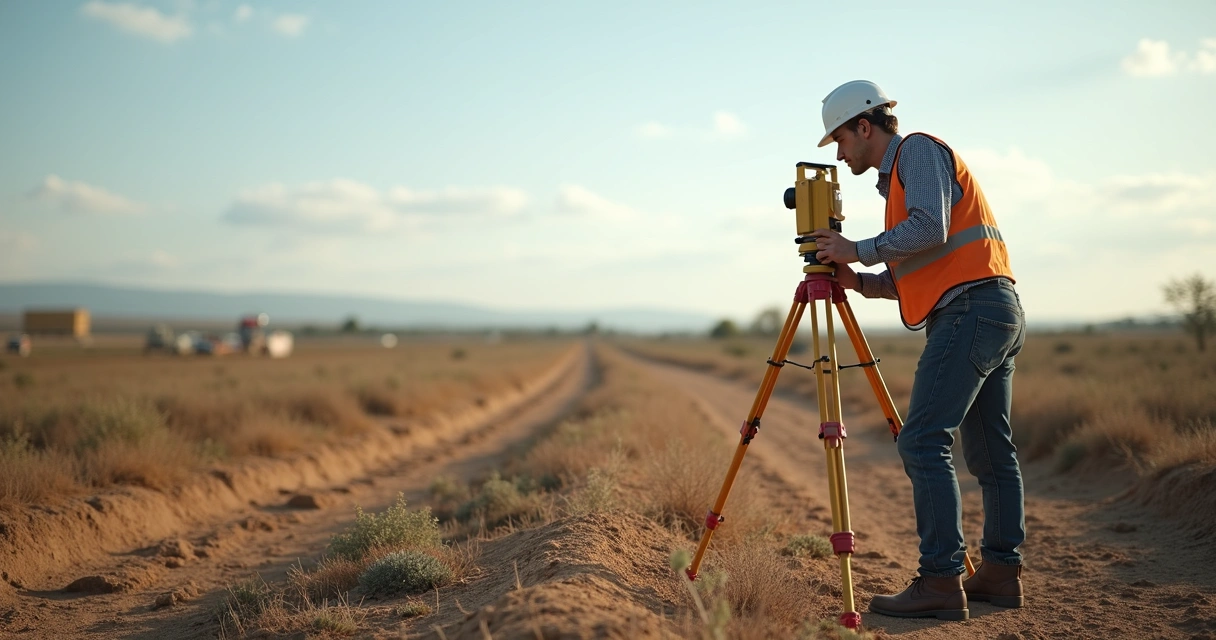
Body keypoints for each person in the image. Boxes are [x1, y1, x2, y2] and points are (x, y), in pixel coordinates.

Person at [808, 80, 1027, 621]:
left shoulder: (918, 152)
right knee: (989, 452)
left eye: (840, 140)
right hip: (991, 307)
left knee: (923, 441)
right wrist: (859, 279)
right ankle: (1000, 574)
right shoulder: (898, 184)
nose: (840, 153)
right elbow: (922, 269)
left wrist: (856, 247)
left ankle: (940, 580)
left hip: (971, 311)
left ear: (865, 126)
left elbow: (930, 228)